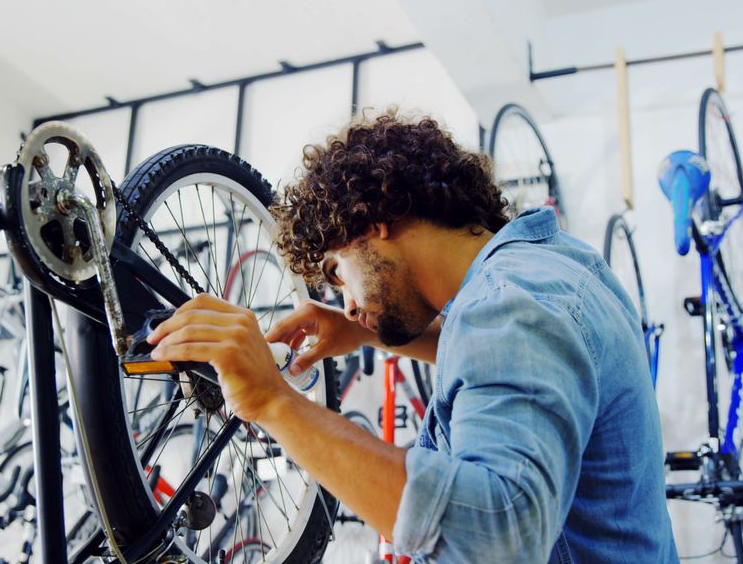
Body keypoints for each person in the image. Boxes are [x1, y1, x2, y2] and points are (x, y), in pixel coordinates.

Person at [147, 110, 678, 562]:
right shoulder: (550, 266)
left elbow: (493, 537)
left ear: (371, 219)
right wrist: (371, 335)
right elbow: (507, 363)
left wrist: (273, 401)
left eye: (337, 272)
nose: (347, 304)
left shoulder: (510, 305)